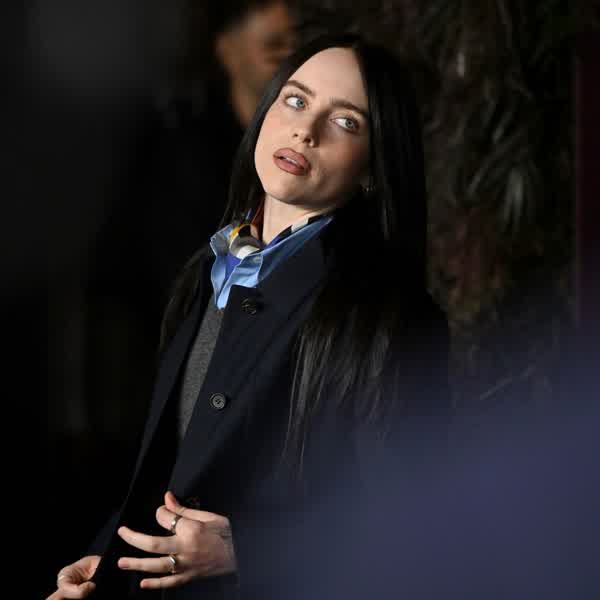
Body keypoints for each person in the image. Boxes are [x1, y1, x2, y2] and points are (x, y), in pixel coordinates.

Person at [47, 32, 450, 600]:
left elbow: (414, 525)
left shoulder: (389, 315)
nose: (305, 130)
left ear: (372, 169)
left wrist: (247, 550)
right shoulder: (208, 271)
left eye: (346, 122)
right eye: (295, 100)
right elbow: (173, 466)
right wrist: (105, 561)